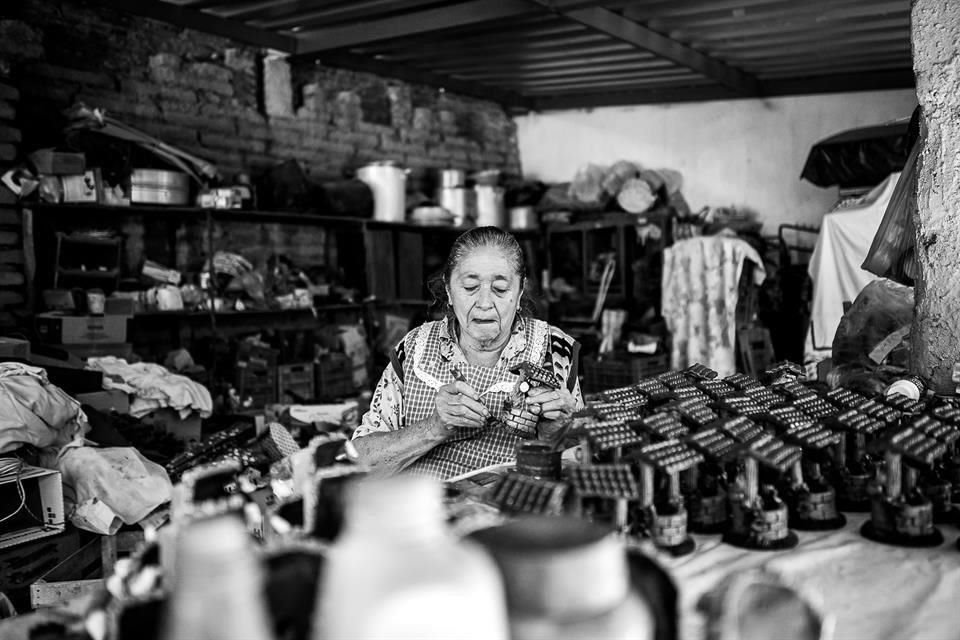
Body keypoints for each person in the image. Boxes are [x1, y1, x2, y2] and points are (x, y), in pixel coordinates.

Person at [352, 226, 584, 480]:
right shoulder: (415, 347)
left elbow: (583, 464)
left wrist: (554, 433)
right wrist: (434, 427)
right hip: (419, 508)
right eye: (470, 287)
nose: (484, 303)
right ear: (449, 290)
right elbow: (359, 461)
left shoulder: (552, 350)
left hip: (512, 510)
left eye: (500, 289)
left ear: (519, 292)